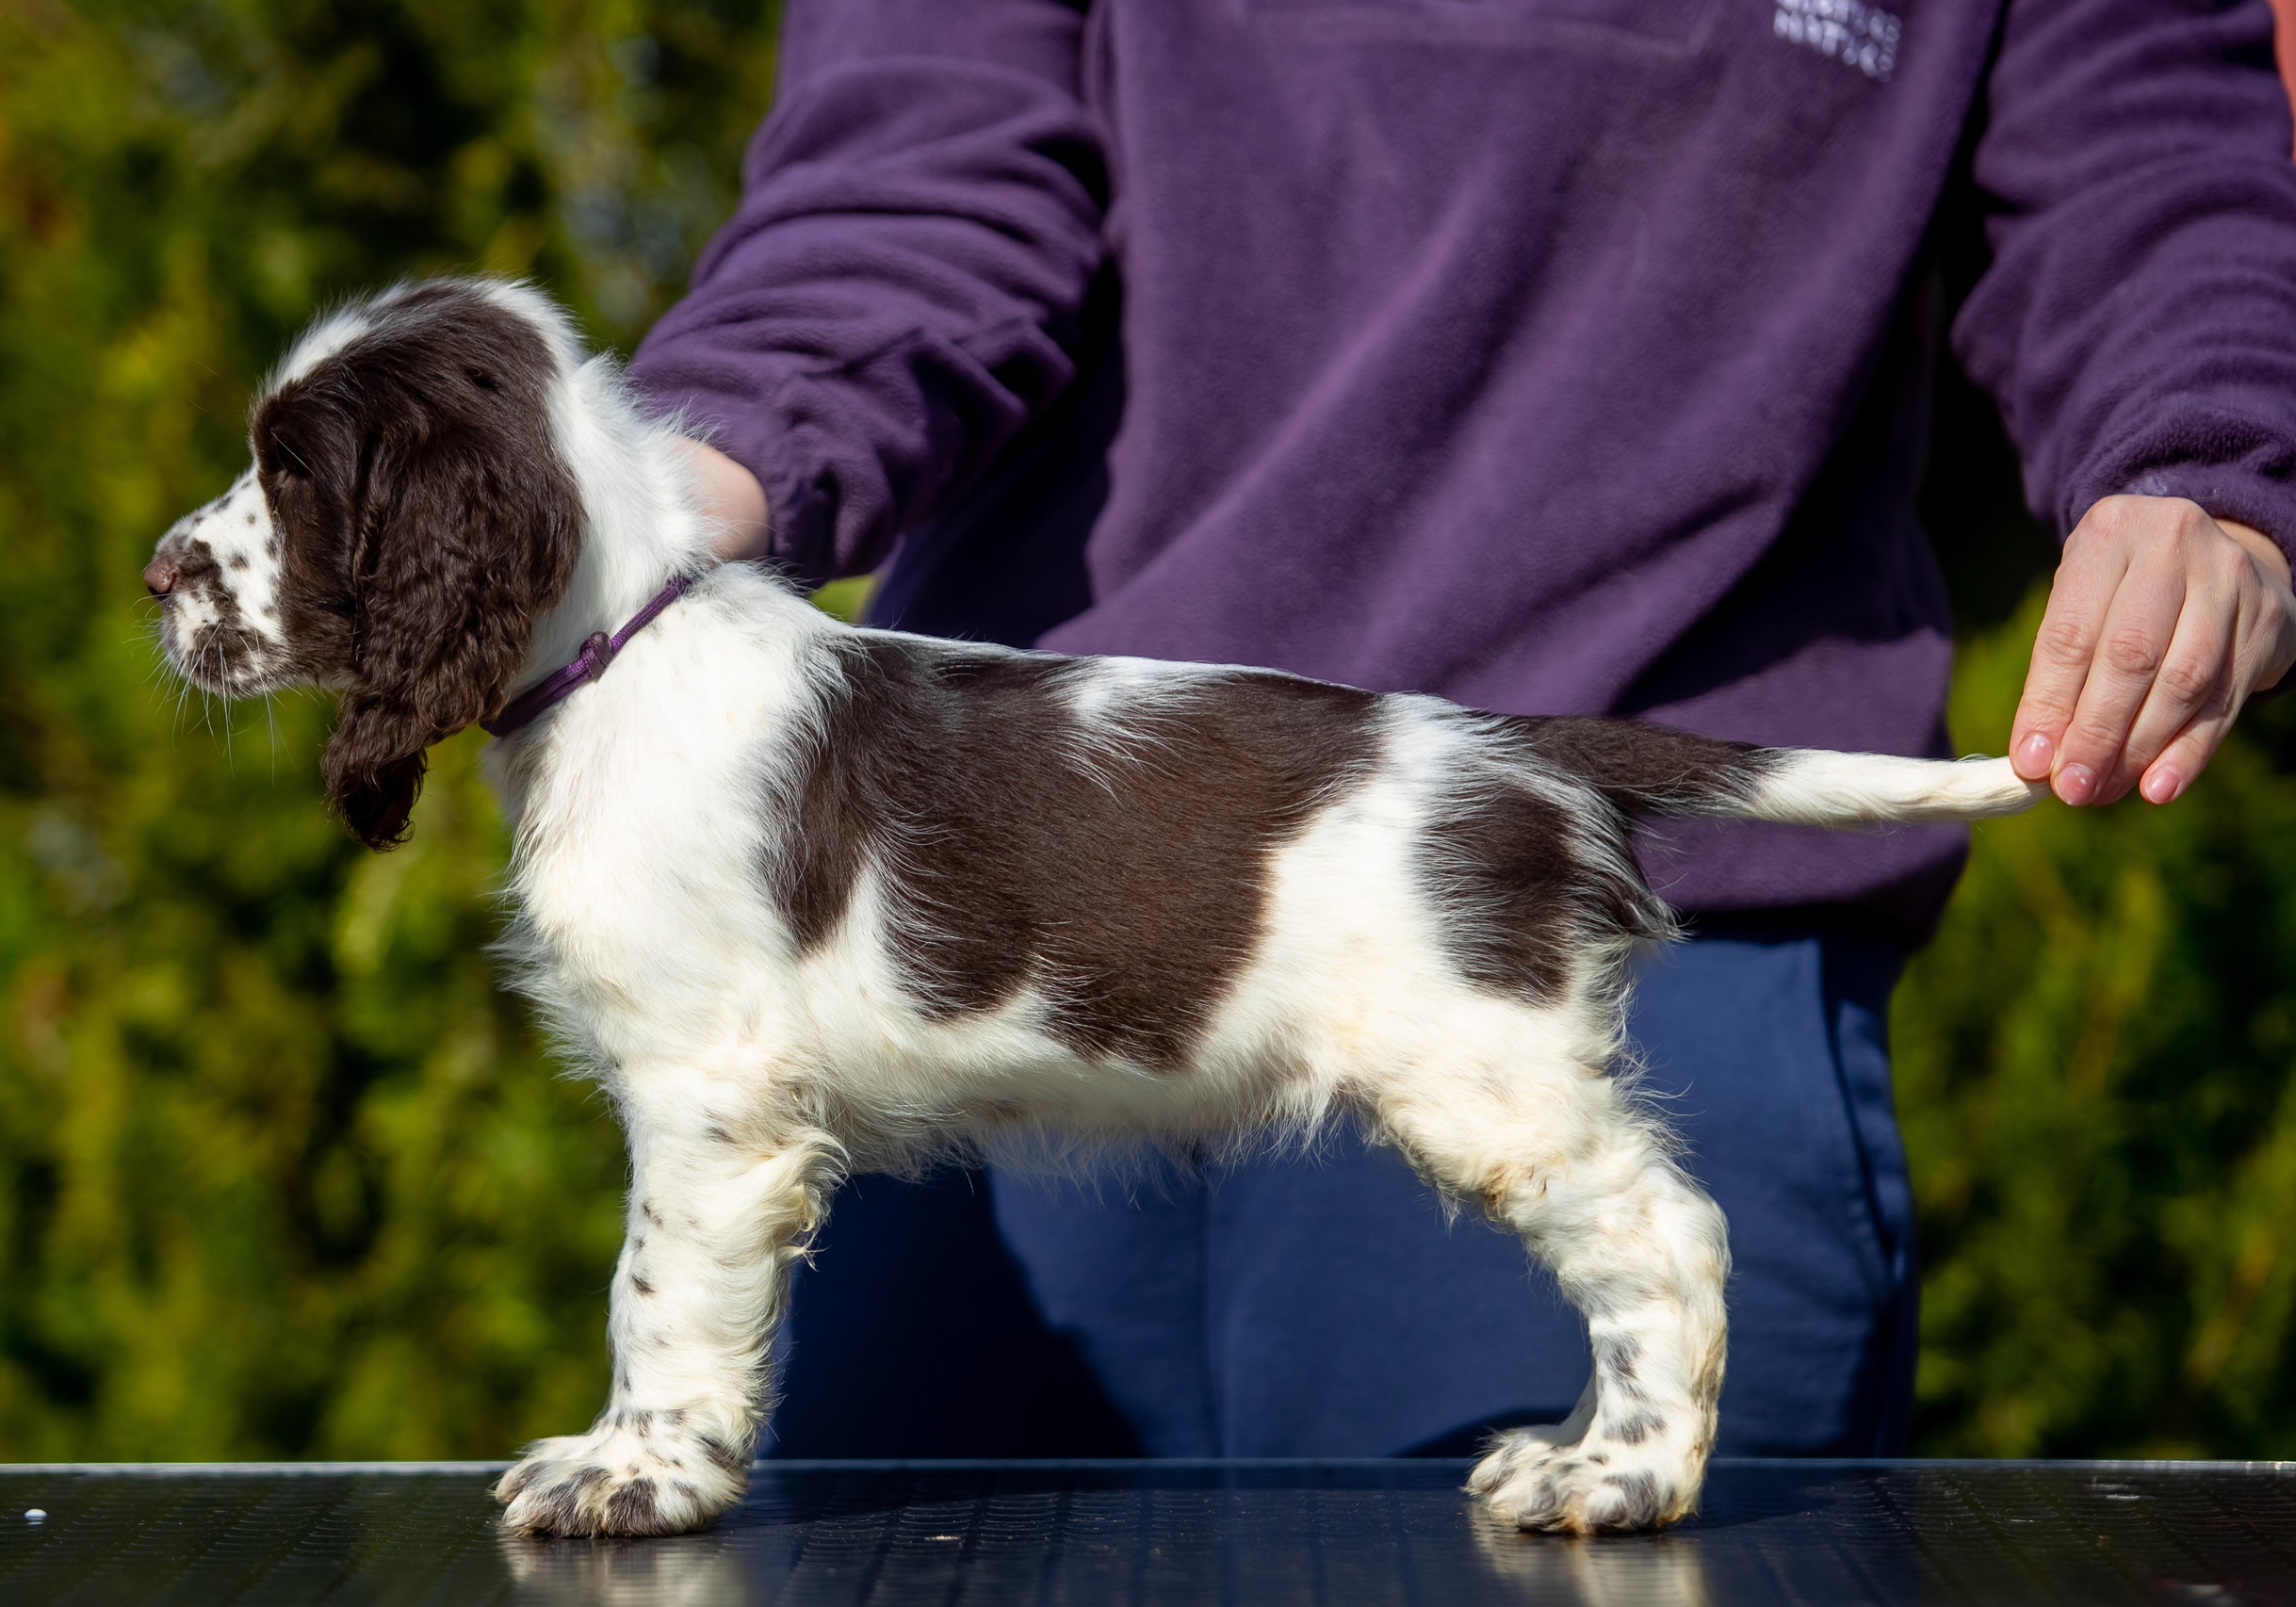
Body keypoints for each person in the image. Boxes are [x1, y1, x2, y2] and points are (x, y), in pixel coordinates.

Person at [626, 0, 2296, 1458]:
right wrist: (668, 484)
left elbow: (2155, 170)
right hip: (991, 920)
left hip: (1616, 898)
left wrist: (2206, 464)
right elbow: (906, 175)